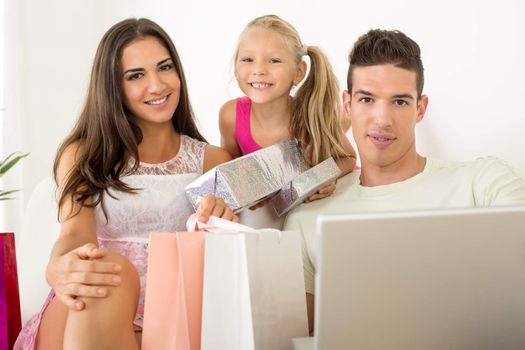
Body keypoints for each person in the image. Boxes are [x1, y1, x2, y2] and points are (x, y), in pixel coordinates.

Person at [283, 28, 525, 333]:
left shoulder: (484, 183)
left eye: (399, 102)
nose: (382, 119)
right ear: (347, 105)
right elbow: (297, 339)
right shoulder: (307, 215)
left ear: (420, 109)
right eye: (367, 99)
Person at [15, 18, 236, 349]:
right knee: (109, 272)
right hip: (95, 303)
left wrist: (221, 223)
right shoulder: (84, 154)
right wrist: (59, 267)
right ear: (113, 87)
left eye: (165, 68)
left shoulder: (214, 161)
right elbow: (75, 235)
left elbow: (227, 259)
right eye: (136, 75)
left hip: (171, 313)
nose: (157, 85)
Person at [219, 14, 356, 203]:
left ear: (298, 72)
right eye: (248, 59)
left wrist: (323, 177)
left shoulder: (309, 116)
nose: (258, 70)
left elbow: (347, 157)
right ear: (236, 68)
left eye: (274, 61)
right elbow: (231, 171)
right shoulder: (230, 116)